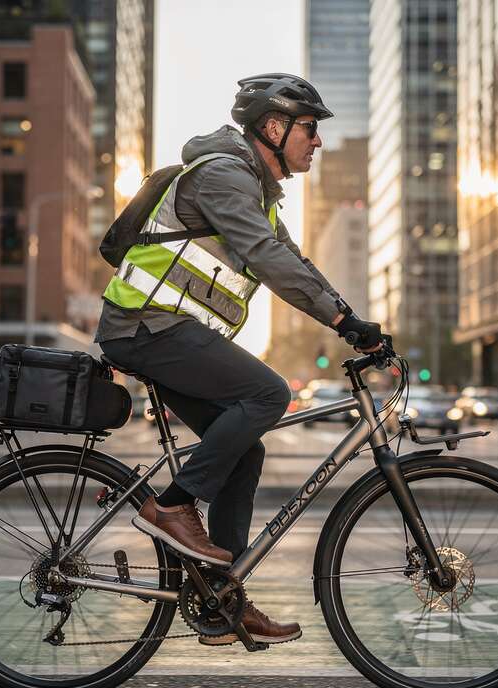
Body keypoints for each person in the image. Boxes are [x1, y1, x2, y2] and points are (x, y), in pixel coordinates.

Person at [94, 73, 383, 646]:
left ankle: (222, 595)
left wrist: (351, 321)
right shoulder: (223, 176)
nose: (316, 141)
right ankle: (173, 507)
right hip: (148, 328)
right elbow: (266, 259)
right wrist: (342, 322)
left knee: (244, 452)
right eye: (309, 128)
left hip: (169, 335)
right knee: (269, 394)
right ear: (273, 128)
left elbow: (295, 264)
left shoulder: (257, 195)